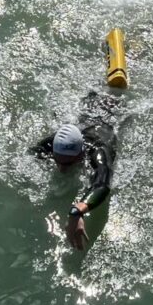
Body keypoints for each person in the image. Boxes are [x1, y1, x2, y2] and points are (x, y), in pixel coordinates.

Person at [29, 89, 119, 249]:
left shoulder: (98, 151)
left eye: (68, 163)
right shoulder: (49, 144)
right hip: (88, 115)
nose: (62, 169)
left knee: (114, 94)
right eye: (58, 161)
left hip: (111, 115)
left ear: (81, 153)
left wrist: (77, 211)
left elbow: (102, 185)